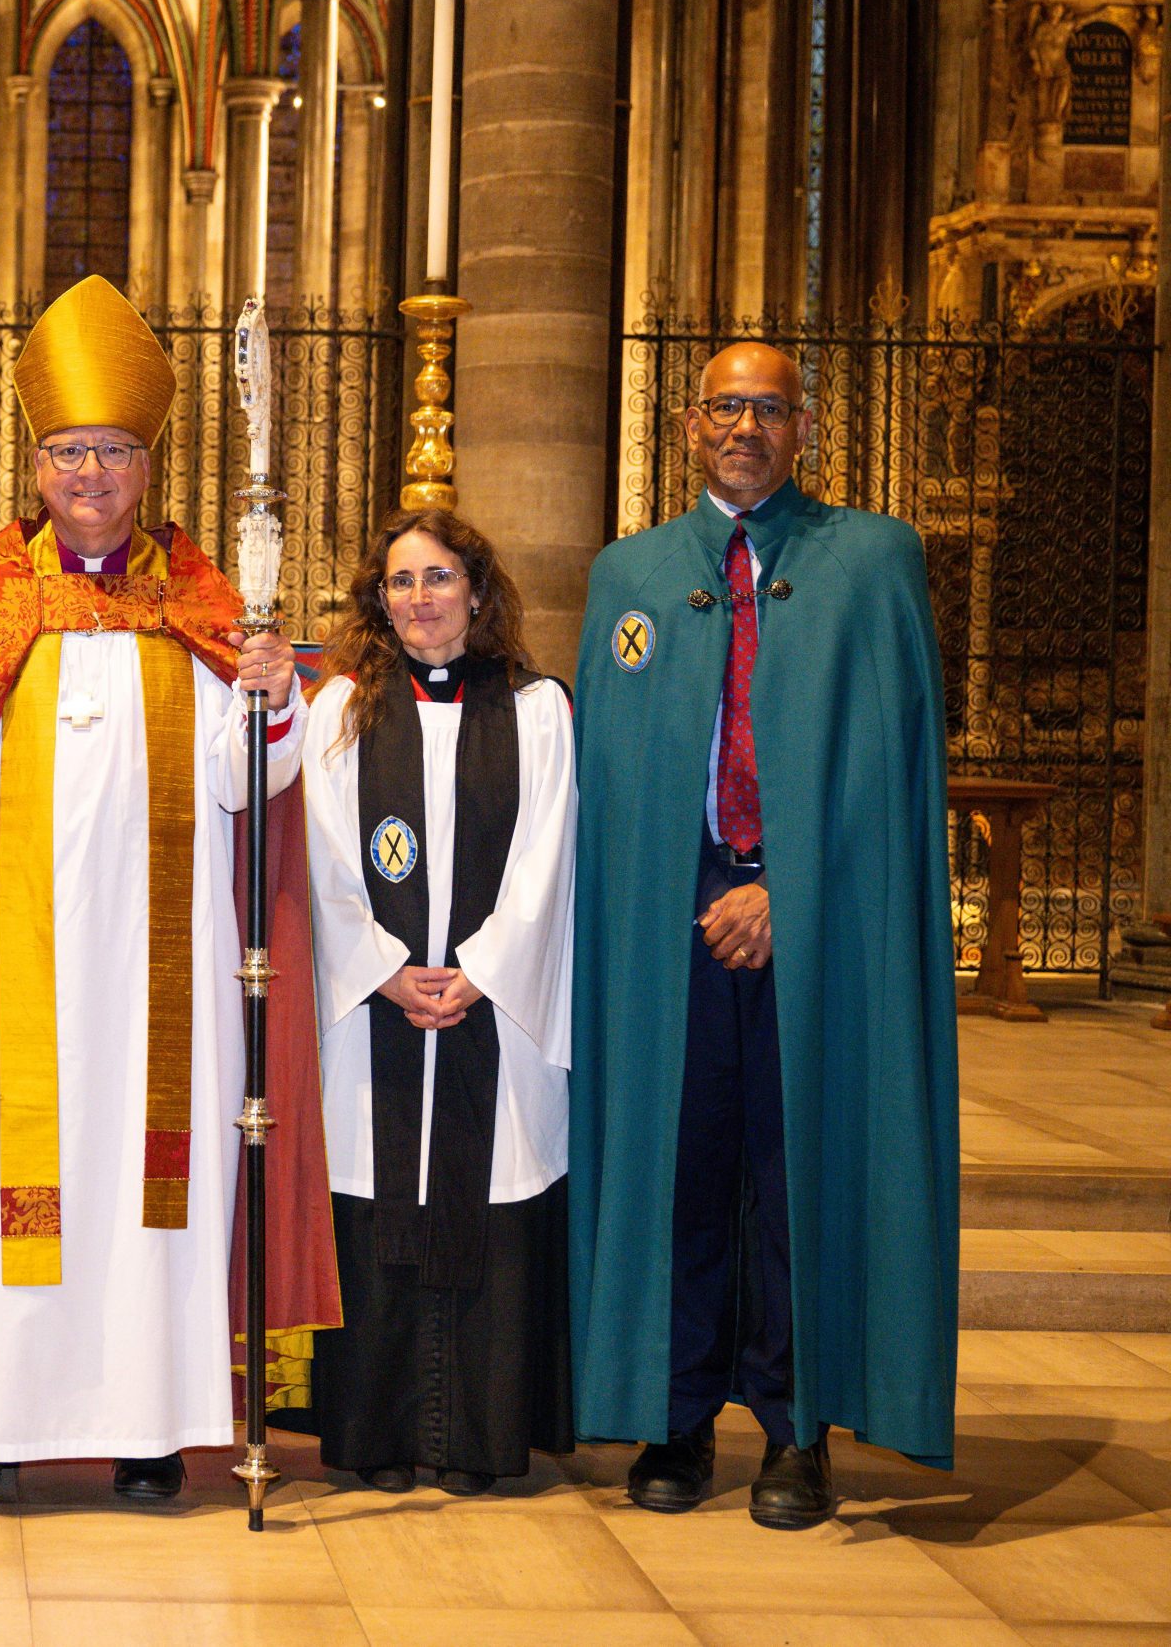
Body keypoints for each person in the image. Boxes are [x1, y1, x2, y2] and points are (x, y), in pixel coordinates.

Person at [0, 275, 332, 1504]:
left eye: (109, 451)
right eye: (64, 451)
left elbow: (248, 785)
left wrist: (268, 694)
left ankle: (154, 1426)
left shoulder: (203, 607)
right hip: (10, 968)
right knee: (14, 1170)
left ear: (146, 463)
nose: (87, 473)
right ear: (33, 463)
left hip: (165, 967)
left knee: (158, 1182)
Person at [572, 342, 959, 1529]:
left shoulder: (871, 560)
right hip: (669, 924)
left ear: (804, 428)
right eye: (726, 405)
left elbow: (893, 774)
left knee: (797, 1170)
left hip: (818, 927)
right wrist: (680, 892)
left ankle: (797, 1430)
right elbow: (606, 777)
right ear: (689, 426)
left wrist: (789, 888)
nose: (745, 425)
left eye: (769, 409)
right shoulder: (628, 574)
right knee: (679, 1165)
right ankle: (676, 1417)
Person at [277, 509, 575, 1496]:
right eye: (401, 583)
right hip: (381, 1017)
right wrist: (383, 968)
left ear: (477, 594)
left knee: (486, 1196)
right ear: (379, 601)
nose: (420, 600)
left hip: (493, 1014)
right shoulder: (340, 712)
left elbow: (547, 858)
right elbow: (320, 857)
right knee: (378, 1197)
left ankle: (475, 1441)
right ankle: (373, 1435)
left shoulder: (536, 712)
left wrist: (483, 969)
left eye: (439, 579)